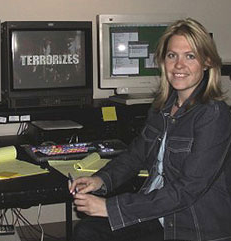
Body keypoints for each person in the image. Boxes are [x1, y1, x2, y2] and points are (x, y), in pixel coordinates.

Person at [69, 18, 231, 241]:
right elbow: (136, 155)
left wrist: (110, 207)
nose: (179, 65)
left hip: (192, 226)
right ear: (163, 61)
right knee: (87, 231)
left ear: (206, 62)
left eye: (190, 56)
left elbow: (187, 190)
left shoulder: (214, 114)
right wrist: (100, 180)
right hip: (158, 215)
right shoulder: (163, 108)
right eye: (172, 55)